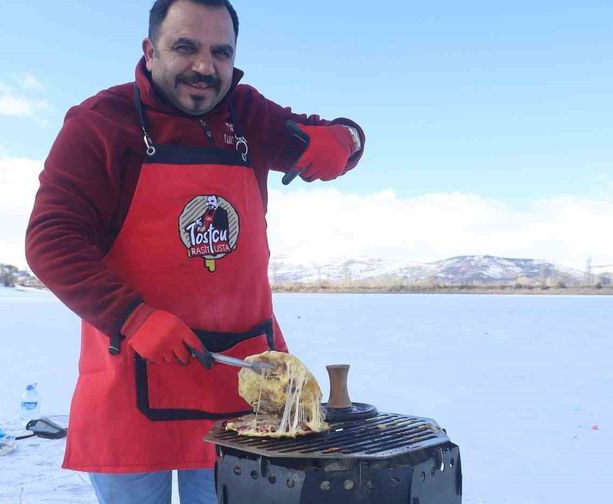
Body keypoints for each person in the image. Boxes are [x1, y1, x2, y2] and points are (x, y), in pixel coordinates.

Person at [25, 0, 365, 502]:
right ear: (150, 51)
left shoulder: (247, 113)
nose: (205, 67)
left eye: (221, 52)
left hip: (246, 386)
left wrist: (344, 141)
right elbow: (51, 238)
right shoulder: (101, 123)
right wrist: (133, 317)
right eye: (185, 47)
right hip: (131, 382)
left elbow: (336, 134)